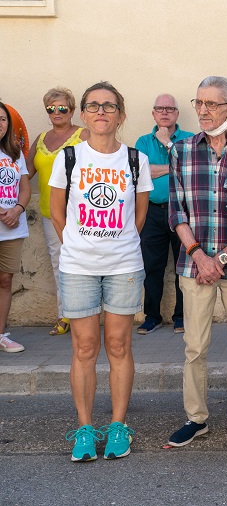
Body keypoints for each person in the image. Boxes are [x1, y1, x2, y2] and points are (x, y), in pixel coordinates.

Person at [49, 82, 152, 461]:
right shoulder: (69, 158)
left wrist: (116, 243)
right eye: (93, 106)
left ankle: (119, 426)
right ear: (83, 115)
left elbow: (139, 216)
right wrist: (80, 245)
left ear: (121, 115)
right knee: (85, 346)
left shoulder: (135, 160)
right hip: (78, 266)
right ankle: (84, 428)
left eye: (109, 106)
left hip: (123, 265)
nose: (101, 112)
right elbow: (57, 213)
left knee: (119, 345)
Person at [167, 76, 227, 447]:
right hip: (194, 264)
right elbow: (177, 212)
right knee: (195, 346)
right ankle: (196, 418)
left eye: (212, 104)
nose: (203, 111)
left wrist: (220, 257)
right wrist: (199, 255)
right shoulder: (181, 150)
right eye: (199, 103)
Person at [26, 87, 88, 336]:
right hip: (50, 214)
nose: (57, 112)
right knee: (59, 263)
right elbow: (24, 174)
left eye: (62, 107)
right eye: (51, 108)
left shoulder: (84, 135)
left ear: (72, 110)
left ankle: (86, 313)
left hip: (81, 212)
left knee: (85, 262)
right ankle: (65, 315)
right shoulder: (41, 140)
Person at [134, 94, 194, 335]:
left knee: (184, 267)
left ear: (177, 114)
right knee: (152, 267)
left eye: (170, 109)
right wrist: (172, 168)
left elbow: (190, 169)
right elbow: (139, 172)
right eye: (160, 108)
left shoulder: (189, 139)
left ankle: (181, 316)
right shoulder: (143, 141)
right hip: (152, 213)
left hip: (183, 213)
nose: (165, 113)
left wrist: (168, 143)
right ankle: (152, 316)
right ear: (153, 113)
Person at [0, 103, 30, 354]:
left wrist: (18, 209)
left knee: (5, 280)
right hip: (4, 219)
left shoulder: (15, 153)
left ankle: (0, 335)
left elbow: (25, 187)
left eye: (2, 119)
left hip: (12, 227)